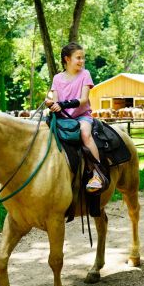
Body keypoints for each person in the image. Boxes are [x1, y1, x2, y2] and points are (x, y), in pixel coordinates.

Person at [45, 42, 103, 193]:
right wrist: (52, 104)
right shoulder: (57, 78)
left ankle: (97, 174)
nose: (82, 61)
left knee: (85, 134)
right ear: (67, 59)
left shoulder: (85, 74)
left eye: (83, 58)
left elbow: (83, 100)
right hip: (63, 118)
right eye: (78, 58)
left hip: (82, 117)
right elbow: (56, 100)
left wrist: (62, 104)